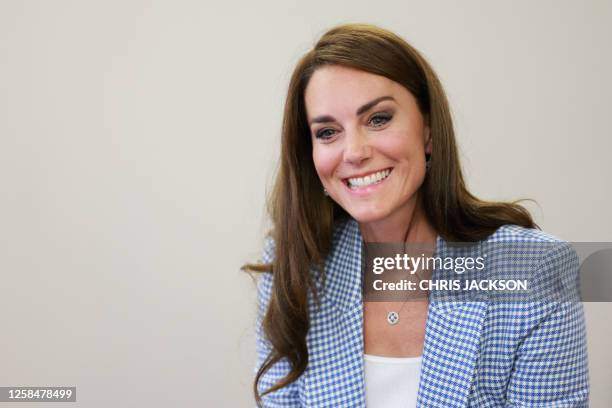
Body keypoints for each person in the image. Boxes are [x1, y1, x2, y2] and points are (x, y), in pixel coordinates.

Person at [242, 23, 589, 407]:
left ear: (427, 129)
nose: (354, 152)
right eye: (327, 132)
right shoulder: (296, 268)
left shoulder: (535, 270)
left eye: (377, 119)